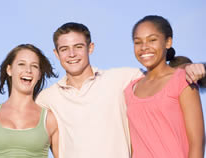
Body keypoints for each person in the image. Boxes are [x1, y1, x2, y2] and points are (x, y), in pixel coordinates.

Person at [35, 22, 206, 158]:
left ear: (91, 47)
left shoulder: (120, 79)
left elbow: (161, 74)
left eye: (78, 46)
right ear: (56, 54)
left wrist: (188, 66)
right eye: (64, 49)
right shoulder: (47, 99)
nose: (72, 54)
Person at [124, 15, 205, 158]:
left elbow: (197, 144)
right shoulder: (130, 90)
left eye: (152, 40)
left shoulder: (183, 81)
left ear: (168, 42)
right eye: (138, 42)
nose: (144, 47)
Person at [0, 44, 59, 158]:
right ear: (9, 70)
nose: (28, 70)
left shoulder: (49, 119)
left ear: (39, 74)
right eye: (21, 64)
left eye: (34, 66)